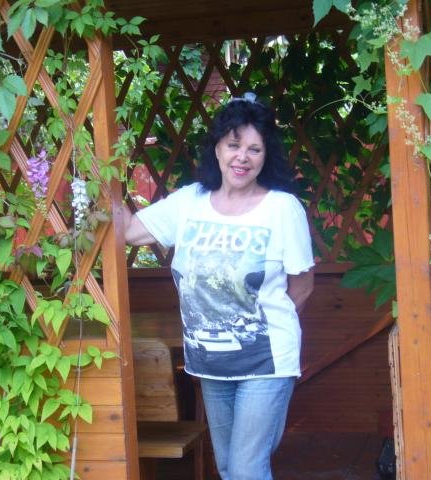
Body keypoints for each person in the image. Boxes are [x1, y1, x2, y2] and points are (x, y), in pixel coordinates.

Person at [123, 93, 314, 480]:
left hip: (266, 362)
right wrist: (96, 183)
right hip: (210, 362)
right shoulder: (189, 201)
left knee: (245, 469)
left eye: (254, 149)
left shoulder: (282, 208)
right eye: (233, 145)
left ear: (265, 156)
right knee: (228, 468)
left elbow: (303, 286)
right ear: (217, 148)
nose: (242, 157)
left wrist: (259, 329)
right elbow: (129, 231)